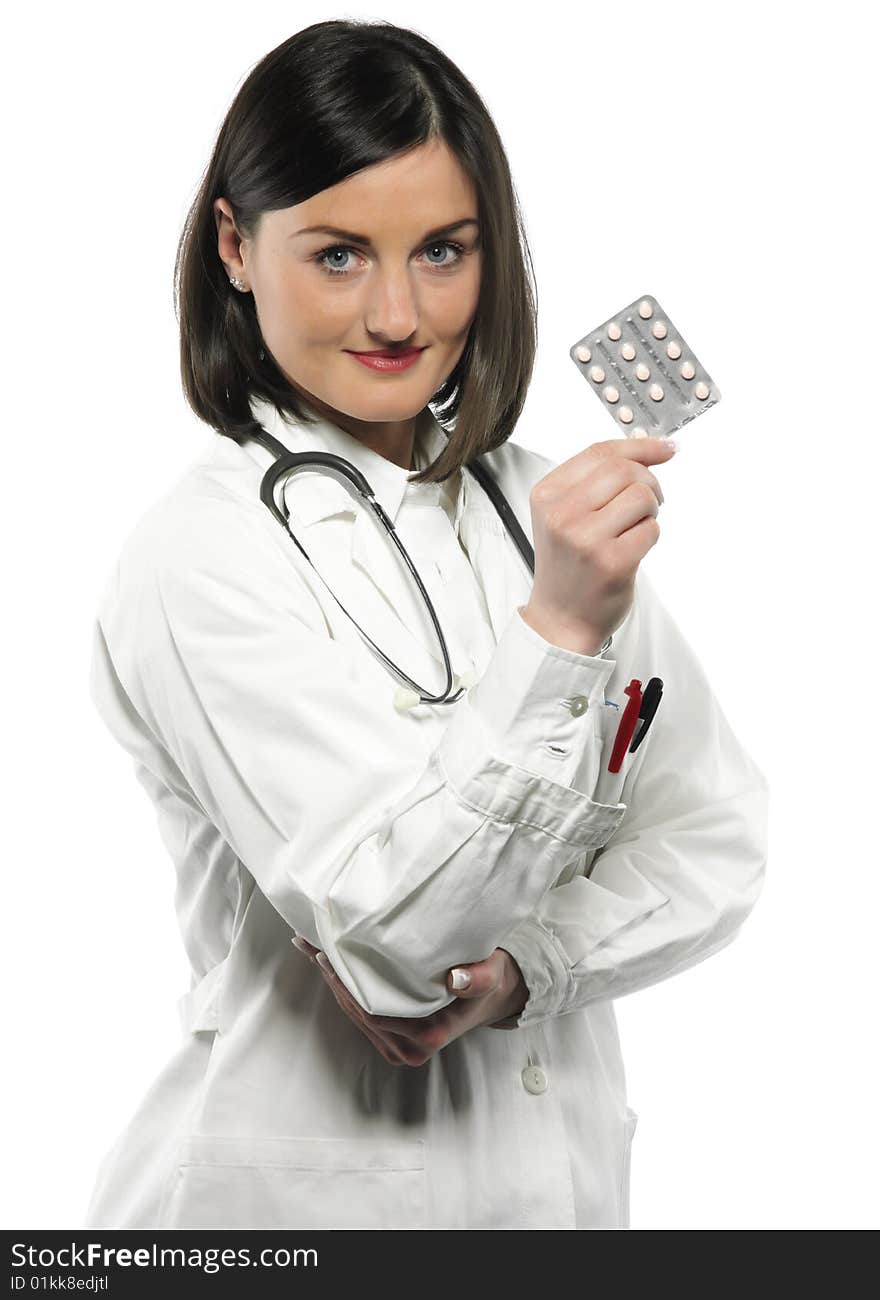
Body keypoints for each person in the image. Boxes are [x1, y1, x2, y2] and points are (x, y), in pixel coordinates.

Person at [82, 19, 769, 1231]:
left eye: (443, 251)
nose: (398, 313)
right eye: (339, 255)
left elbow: (710, 837)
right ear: (237, 248)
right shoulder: (204, 555)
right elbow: (397, 949)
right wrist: (558, 631)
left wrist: (524, 973)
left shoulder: (537, 509)